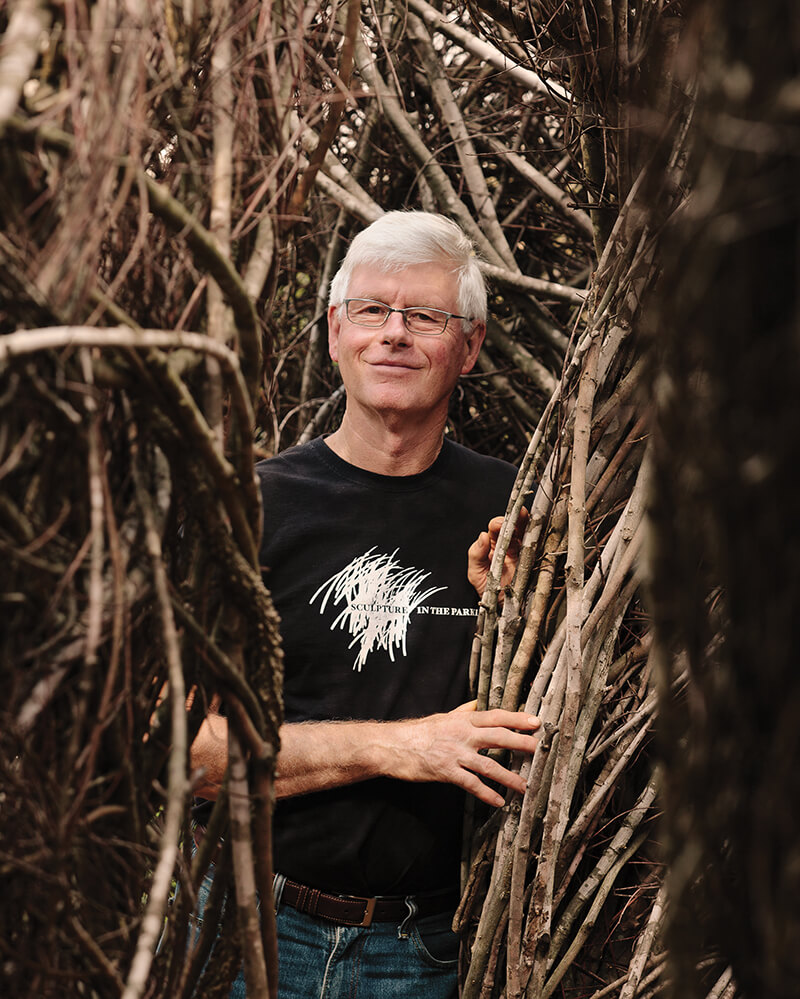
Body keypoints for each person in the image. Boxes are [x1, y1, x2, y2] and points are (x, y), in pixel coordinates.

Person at [192, 211, 539, 998]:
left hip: (427, 953)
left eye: (425, 316)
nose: (395, 333)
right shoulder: (251, 506)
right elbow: (189, 755)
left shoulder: (518, 513)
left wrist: (513, 616)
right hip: (247, 929)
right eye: (372, 311)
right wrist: (400, 746)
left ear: (470, 347)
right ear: (334, 333)